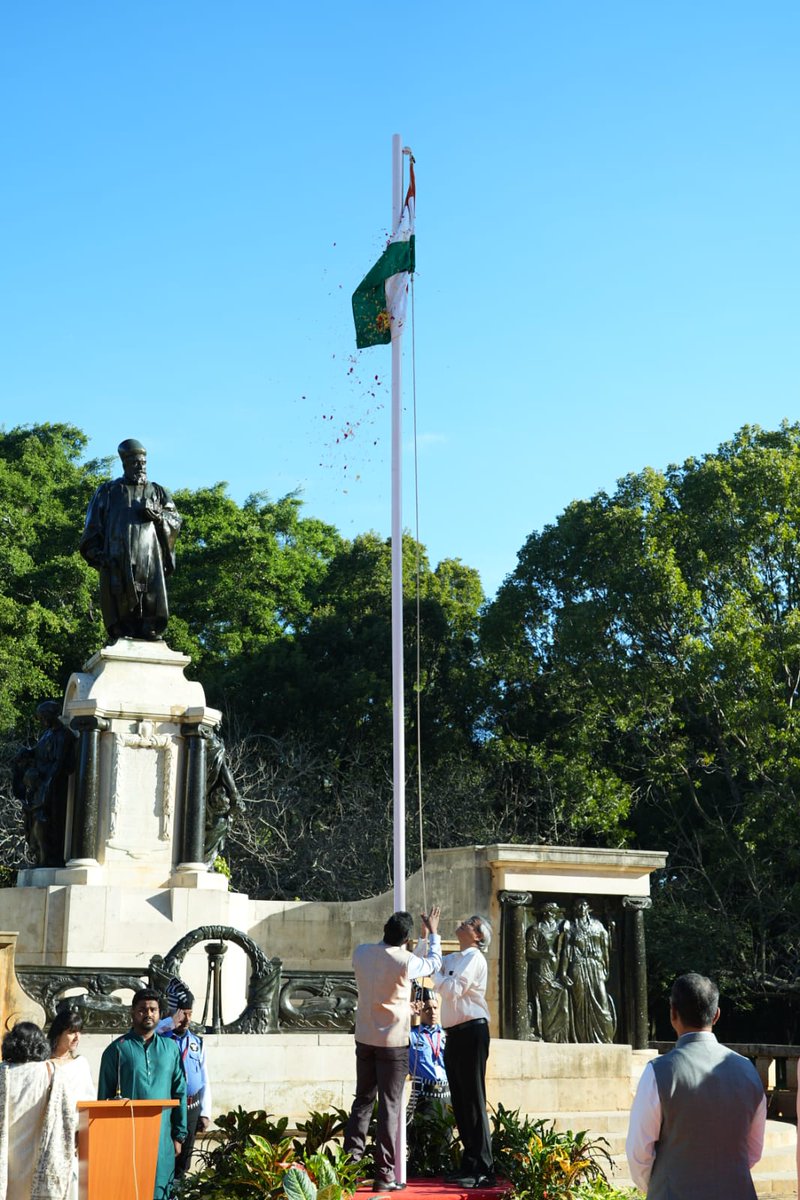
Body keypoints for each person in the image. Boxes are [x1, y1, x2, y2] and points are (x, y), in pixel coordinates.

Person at [626, 972, 766, 1199]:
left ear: (672, 1013)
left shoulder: (658, 1072)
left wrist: (661, 1185)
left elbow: (638, 1154)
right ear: (717, 1015)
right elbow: (753, 1151)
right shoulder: (748, 1070)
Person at [343, 907, 442, 1192]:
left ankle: (350, 1167)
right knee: (389, 1107)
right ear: (406, 939)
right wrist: (433, 934)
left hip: (365, 1037)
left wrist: (419, 941)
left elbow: (407, 961)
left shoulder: (361, 952)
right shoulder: (405, 961)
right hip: (394, 1042)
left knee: (362, 1101)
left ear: (385, 929)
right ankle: (384, 1174)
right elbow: (431, 964)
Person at [79, 439, 182, 642]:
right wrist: (96, 552)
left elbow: (175, 520)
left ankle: (150, 625)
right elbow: (92, 526)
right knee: (120, 599)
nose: (141, 467)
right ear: (125, 464)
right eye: (136, 463)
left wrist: (158, 517)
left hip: (150, 555)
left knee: (150, 594)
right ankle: (122, 627)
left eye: (143, 463)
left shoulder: (157, 492)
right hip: (117, 557)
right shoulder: (108, 491)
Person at [98, 988, 188, 1200]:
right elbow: (104, 1097)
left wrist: (179, 1134)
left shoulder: (170, 1049)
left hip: (162, 1139)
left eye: (153, 1010)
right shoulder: (117, 1050)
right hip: (127, 1138)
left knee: (159, 1190)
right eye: (142, 1010)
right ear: (132, 1012)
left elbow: (180, 1091)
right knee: (128, 1189)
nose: (148, 1014)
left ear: (159, 1013)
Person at [431, 914, 495, 1189]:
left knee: (473, 1098)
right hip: (454, 1034)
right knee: (459, 1099)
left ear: (479, 936)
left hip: (472, 1031)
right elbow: (427, 960)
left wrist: (438, 976)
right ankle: (469, 1163)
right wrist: (431, 933)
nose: (462, 923)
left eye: (471, 923)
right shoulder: (455, 959)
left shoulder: (474, 958)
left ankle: (484, 1167)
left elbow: (453, 990)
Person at [0, 1021, 75, 1200]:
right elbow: (69, 1119)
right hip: (39, 1163)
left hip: (6, 1164)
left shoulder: (3, 1072)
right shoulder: (52, 1073)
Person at [156, 984, 212, 1180]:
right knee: (165, 1157)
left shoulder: (197, 1042)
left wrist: (205, 1112)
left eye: (189, 1014)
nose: (186, 1019)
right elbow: (146, 1031)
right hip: (168, 1107)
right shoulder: (159, 1038)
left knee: (184, 1161)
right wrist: (170, 1022)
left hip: (191, 1108)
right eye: (182, 1014)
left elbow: (204, 1078)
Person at [47, 1008, 94, 1200]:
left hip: (73, 1140)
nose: (77, 1037)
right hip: (47, 1136)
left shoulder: (81, 1064)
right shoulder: (43, 1064)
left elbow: (88, 1102)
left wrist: (79, 1133)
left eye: (79, 1031)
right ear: (59, 1032)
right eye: (72, 1032)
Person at [564, 899, 616, 1043]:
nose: (581, 908)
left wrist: (605, 967)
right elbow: (566, 952)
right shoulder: (571, 927)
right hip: (578, 966)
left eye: (584, 905)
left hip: (595, 966)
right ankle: (582, 1039)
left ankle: (605, 1039)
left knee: (602, 1001)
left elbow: (605, 948)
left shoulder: (598, 926)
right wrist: (563, 972)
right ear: (574, 909)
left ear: (589, 908)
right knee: (580, 1005)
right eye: (577, 906)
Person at [526, 902, 570, 1043]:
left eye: (555, 912)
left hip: (555, 970)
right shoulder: (536, 929)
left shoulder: (559, 928)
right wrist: (545, 953)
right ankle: (547, 1035)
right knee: (545, 1004)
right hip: (542, 971)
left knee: (562, 997)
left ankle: (558, 1036)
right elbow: (529, 951)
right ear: (546, 913)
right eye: (551, 911)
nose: (553, 915)